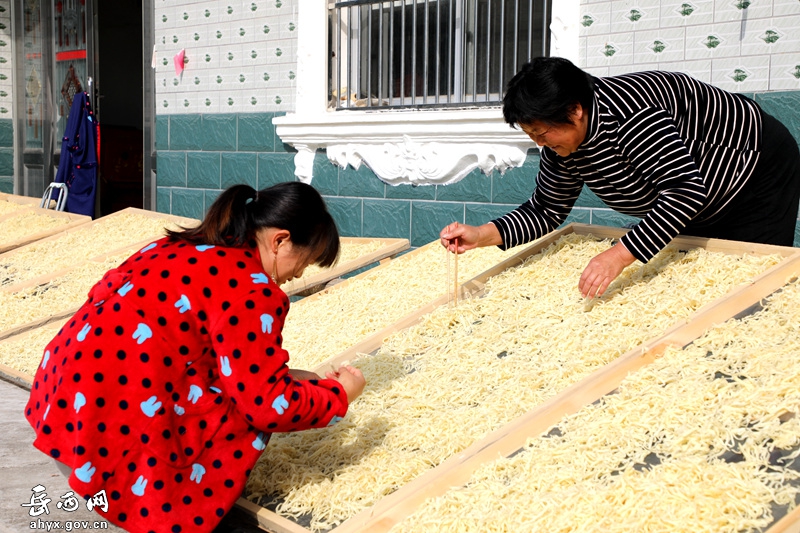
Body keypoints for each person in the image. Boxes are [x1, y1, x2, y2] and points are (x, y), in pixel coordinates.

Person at [24, 182, 366, 533]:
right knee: (240, 415)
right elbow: (265, 405)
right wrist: (338, 396)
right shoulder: (253, 291)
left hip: (64, 402)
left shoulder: (179, 245)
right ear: (280, 241)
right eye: (304, 262)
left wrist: (291, 378)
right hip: (113, 430)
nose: (298, 275)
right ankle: (168, 505)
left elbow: (191, 349)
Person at [440, 57, 800, 298]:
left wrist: (619, 255)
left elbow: (684, 192)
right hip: (696, 189)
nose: (540, 144)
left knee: (752, 280)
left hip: (754, 169)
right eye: (531, 135)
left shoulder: (631, 115)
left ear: (574, 111)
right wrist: (482, 235)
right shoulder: (561, 143)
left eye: (541, 132)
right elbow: (546, 209)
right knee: (694, 277)